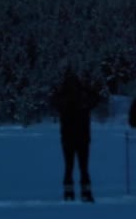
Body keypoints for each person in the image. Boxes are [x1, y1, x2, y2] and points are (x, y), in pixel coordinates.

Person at [51, 68, 96, 202]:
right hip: (83, 138)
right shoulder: (83, 98)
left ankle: (69, 193)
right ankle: (86, 193)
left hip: (67, 139)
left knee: (69, 167)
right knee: (84, 167)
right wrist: (88, 89)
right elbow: (96, 99)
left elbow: (54, 101)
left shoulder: (64, 99)